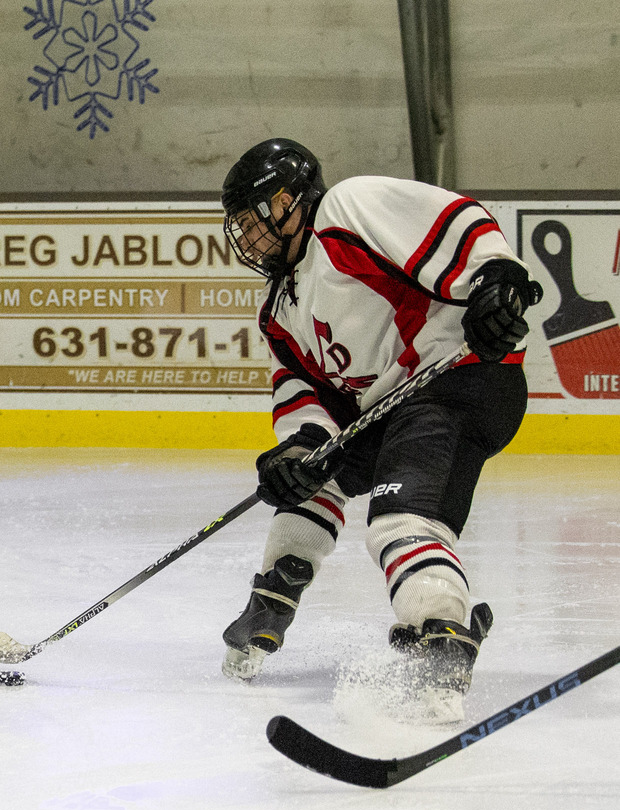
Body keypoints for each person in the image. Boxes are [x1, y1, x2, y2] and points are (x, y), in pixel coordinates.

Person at [217, 138, 541, 719]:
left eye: (253, 219)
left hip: (458, 378)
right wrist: (300, 444)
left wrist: (497, 280)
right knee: (312, 476)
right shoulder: (278, 310)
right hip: (392, 408)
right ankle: (273, 595)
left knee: (398, 520)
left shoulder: (344, 210)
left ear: (291, 201)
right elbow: (302, 391)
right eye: (239, 225)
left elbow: (454, 218)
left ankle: (442, 629)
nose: (247, 236)